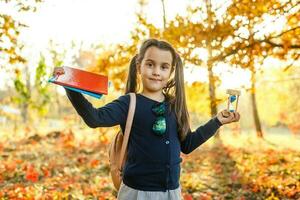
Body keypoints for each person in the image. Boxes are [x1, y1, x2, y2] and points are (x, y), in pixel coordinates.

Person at [53, 38, 240, 200]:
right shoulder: (129, 103)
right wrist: (70, 85)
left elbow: (187, 144)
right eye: (150, 64)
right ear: (139, 66)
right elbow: (95, 118)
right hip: (138, 192)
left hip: (171, 193)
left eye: (164, 67)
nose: (156, 71)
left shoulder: (175, 105)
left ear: (171, 71)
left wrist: (217, 121)